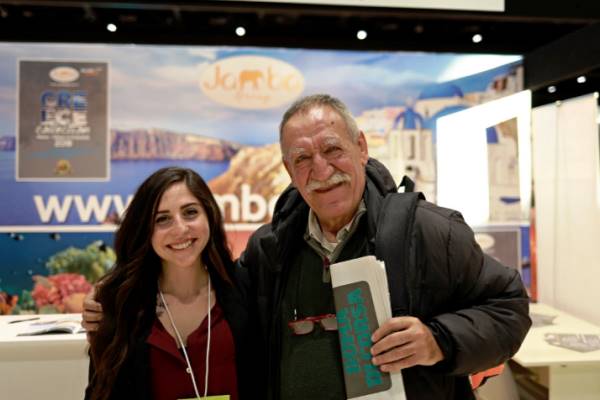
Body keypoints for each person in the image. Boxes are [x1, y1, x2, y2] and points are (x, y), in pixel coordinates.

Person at [84, 94, 531, 399]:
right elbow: (208, 290)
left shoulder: (430, 232)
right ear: (288, 169)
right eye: (302, 158)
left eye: (332, 149)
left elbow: (509, 307)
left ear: (360, 147)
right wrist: (113, 299)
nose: (321, 169)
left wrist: (438, 340)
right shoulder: (269, 250)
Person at [84, 167, 255, 400]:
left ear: (209, 215)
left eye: (190, 212)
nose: (180, 229)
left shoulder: (245, 290)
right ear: (146, 229)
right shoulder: (120, 305)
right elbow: (100, 391)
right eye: (162, 219)